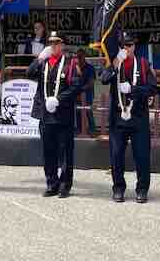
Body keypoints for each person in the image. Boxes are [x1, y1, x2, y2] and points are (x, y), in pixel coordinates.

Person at [27, 31, 85, 198]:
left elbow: (76, 86)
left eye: (56, 43)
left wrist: (59, 99)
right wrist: (39, 58)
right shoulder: (44, 62)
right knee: (48, 151)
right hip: (46, 116)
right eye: (51, 43)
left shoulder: (71, 64)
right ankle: (51, 183)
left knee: (65, 152)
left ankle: (65, 185)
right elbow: (29, 73)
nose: (53, 46)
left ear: (62, 45)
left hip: (63, 115)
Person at [101, 33, 157, 203]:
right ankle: (118, 188)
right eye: (124, 45)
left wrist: (133, 90)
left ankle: (142, 189)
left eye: (130, 45)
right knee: (116, 156)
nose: (127, 48)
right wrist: (116, 62)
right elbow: (103, 79)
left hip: (138, 117)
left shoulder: (143, 63)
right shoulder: (114, 63)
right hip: (118, 119)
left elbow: (152, 88)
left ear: (134, 46)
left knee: (142, 156)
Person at [75, 49, 97, 135]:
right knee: (77, 113)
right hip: (77, 94)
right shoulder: (75, 68)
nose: (79, 58)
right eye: (78, 57)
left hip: (87, 94)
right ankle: (79, 130)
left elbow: (91, 83)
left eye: (81, 56)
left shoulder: (90, 68)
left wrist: (81, 90)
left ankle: (92, 130)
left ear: (84, 57)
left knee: (88, 113)